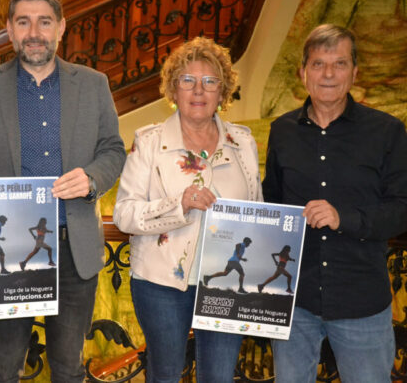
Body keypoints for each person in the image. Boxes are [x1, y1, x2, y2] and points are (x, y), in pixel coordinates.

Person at [0, 0, 125, 382]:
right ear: (9, 30)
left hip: (73, 247)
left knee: (68, 368)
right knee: (3, 367)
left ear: (61, 28)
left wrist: (92, 178)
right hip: (11, 252)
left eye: (44, 22)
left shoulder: (94, 84)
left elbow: (113, 150)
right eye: (23, 22)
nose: (34, 32)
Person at [262, 24, 407, 383]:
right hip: (295, 303)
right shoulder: (282, 131)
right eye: (318, 64)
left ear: (354, 72)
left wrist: (344, 218)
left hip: (362, 303)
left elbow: (401, 209)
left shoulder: (387, 131)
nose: (328, 74)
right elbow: (271, 201)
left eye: (339, 63)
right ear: (303, 73)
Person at [113, 36, 263, 383]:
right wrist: (177, 205)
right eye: (187, 80)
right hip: (161, 284)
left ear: (222, 91)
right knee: (165, 376)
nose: (198, 90)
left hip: (226, 284)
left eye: (210, 81)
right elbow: (124, 214)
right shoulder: (149, 141)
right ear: (173, 89)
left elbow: (256, 210)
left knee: (220, 377)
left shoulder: (243, 142)